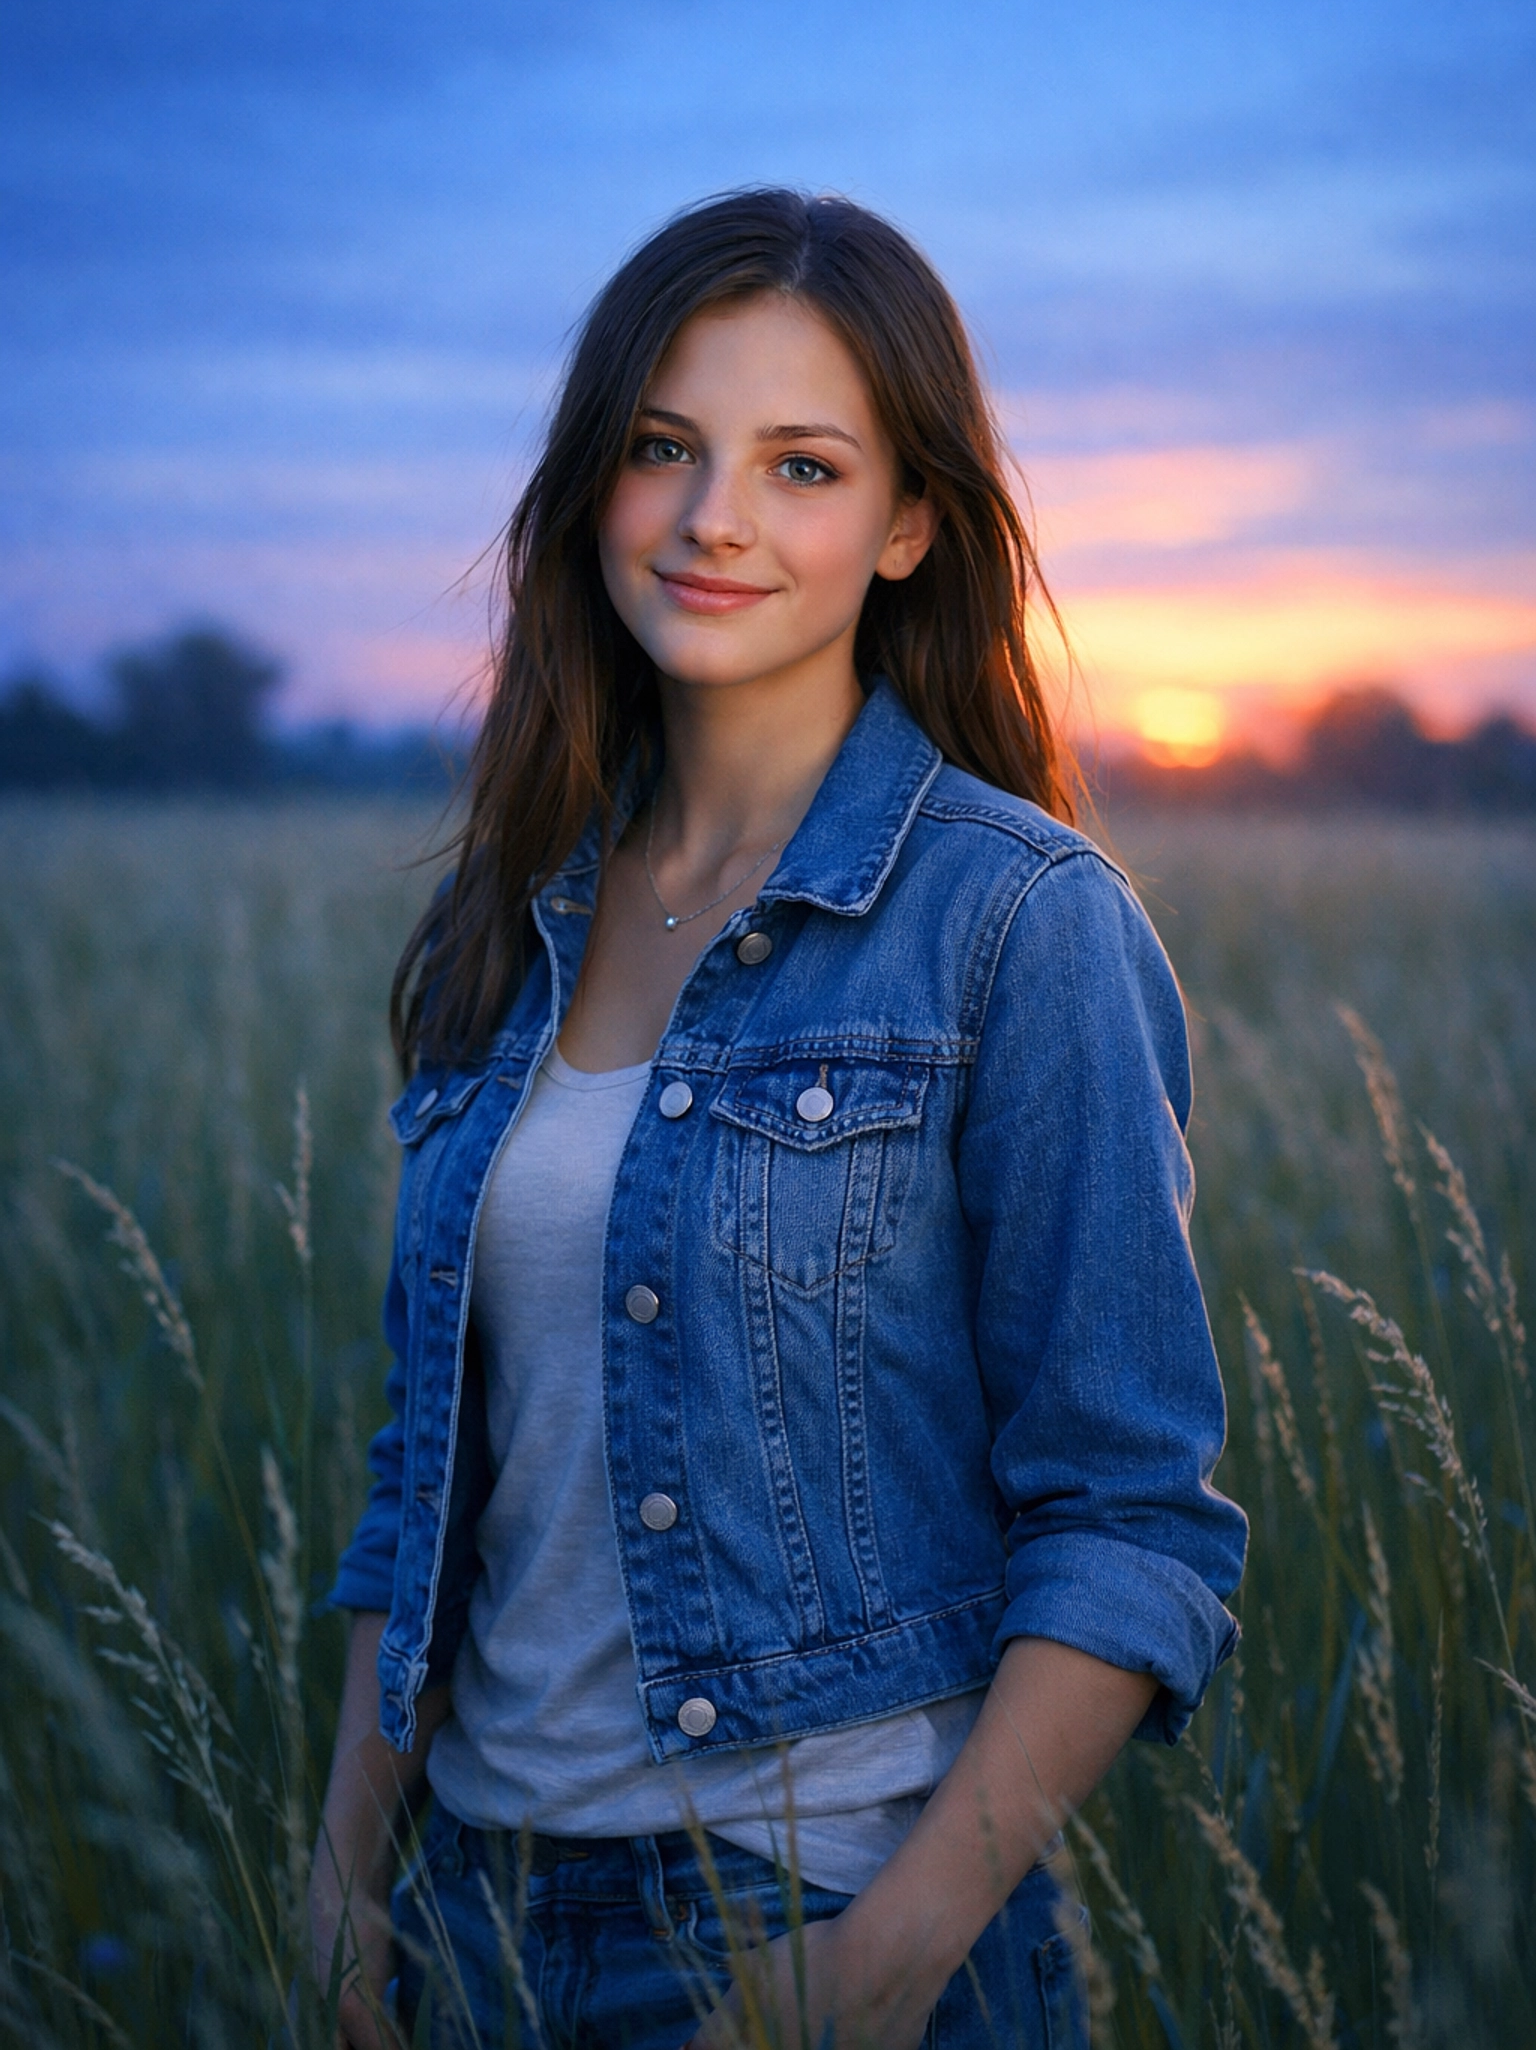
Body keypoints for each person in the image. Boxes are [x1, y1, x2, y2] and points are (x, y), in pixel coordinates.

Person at [310, 189, 1248, 2050]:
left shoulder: (1019, 924)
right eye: (666, 446)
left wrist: (877, 1968)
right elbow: (432, 1476)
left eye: (802, 465)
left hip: (798, 1920)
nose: (712, 516)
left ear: (911, 523)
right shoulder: (510, 910)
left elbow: (1133, 1522)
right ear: (597, 483)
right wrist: (342, 1886)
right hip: (465, 1919)